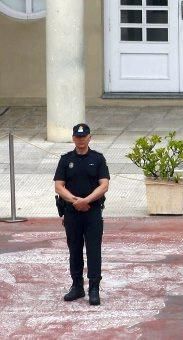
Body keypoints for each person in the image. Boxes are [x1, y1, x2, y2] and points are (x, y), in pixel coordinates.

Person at [54, 123, 110, 306]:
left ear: (89, 138)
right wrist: (75, 201)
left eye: (84, 136)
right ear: (73, 139)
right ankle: (77, 286)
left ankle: (94, 288)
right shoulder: (65, 160)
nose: (81, 140)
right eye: (77, 137)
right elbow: (59, 186)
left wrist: (86, 201)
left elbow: (104, 185)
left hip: (92, 212)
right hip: (71, 212)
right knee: (74, 249)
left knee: (94, 250)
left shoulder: (98, 159)